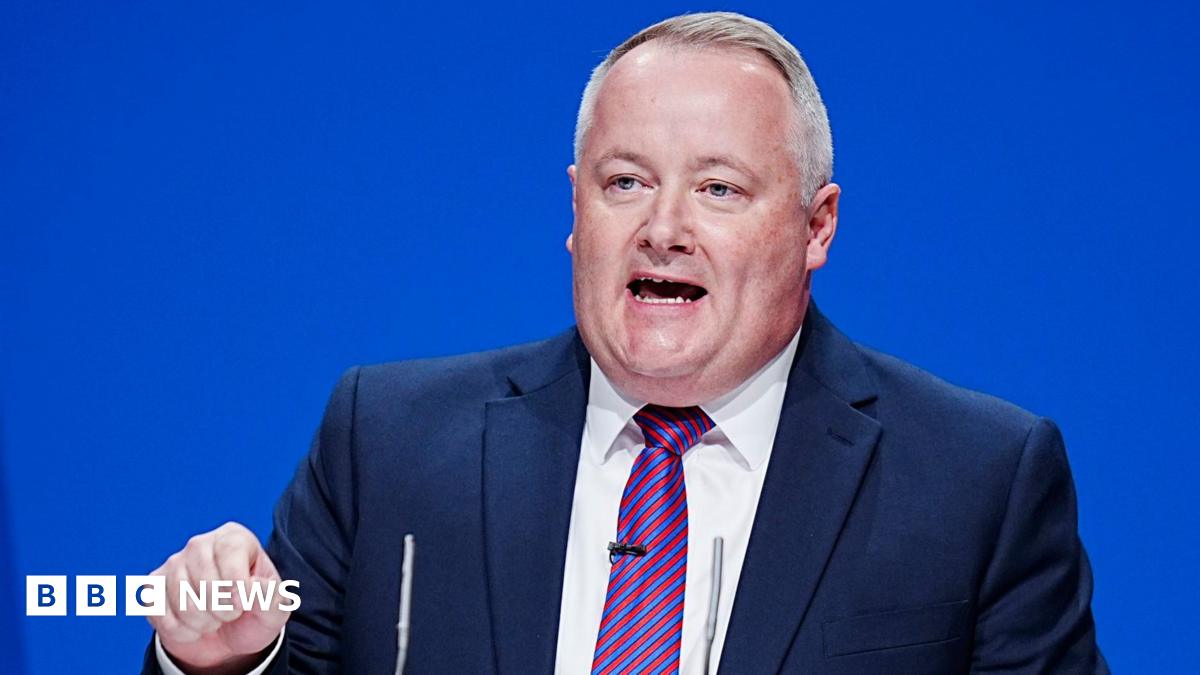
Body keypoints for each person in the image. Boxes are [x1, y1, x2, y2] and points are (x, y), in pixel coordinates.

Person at [142, 11, 1107, 674]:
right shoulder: (387, 441)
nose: (664, 229)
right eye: (626, 182)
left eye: (719, 188)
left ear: (817, 228)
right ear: (575, 210)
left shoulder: (977, 479)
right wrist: (218, 660)